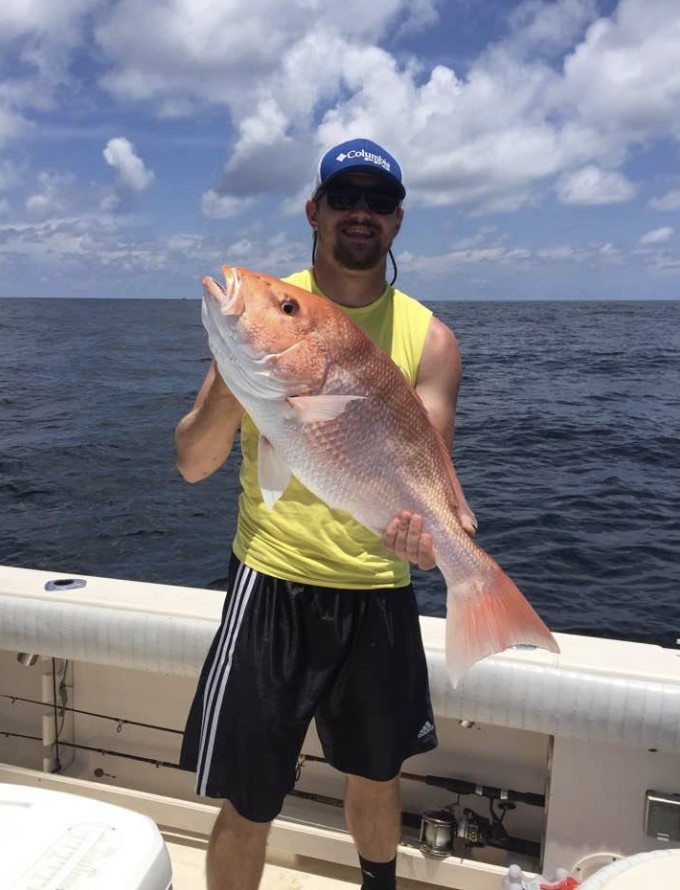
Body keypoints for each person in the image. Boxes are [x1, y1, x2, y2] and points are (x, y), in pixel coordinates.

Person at [175, 137, 476, 890]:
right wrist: (243, 371)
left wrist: (433, 543)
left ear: (398, 221)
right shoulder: (274, 321)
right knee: (249, 797)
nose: (361, 214)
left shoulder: (431, 341)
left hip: (378, 590)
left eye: (379, 202)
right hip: (271, 584)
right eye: (345, 197)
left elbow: (426, 475)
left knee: (376, 776)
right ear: (315, 210)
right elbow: (193, 462)